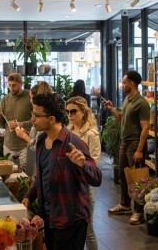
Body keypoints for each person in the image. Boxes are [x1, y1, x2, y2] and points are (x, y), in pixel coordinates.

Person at [22, 93, 102, 250]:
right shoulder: (40, 141)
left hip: (70, 220)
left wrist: (82, 164)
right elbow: (41, 176)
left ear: (51, 119)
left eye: (36, 116)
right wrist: (29, 196)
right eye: (33, 114)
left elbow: (97, 178)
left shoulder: (74, 143)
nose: (32, 119)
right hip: (49, 217)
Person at [103, 70, 150, 225]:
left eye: (124, 82)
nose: (122, 85)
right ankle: (124, 205)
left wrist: (139, 150)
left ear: (131, 83)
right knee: (123, 176)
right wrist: (112, 109)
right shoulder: (128, 100)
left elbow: (145, 128)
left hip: (135, 144)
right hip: (124, 142)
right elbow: (122, 119)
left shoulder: (141, 103)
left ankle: (138, 212)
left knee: (137, 179)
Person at [66, 96, 101, 250]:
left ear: (83, 112)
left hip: (85, 186)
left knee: (88, 229)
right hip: (69, 186)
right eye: (67, 112)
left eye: (73, 111)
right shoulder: (67, 131)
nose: (70, 115)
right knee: (72, 229)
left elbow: (94, 163)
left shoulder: (91, 134)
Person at [0, 73, 32, 170]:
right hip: (8, 145)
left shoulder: (29, 97)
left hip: (25, 144)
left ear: (21, 83)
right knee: (9, 175)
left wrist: (19, 124)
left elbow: (36, 122)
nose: (11, 88)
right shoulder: (5, 99)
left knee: (25, 176)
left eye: (14, 85)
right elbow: (1, 124)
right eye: (9, 85)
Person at [15, 81, 53, 177]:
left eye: (31, 98)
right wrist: (27, 132)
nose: (30, 100)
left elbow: (37, 145)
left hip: (40, 163)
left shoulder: (44, 118)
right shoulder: (41, 115)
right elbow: (37, 137)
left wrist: (23, 136)